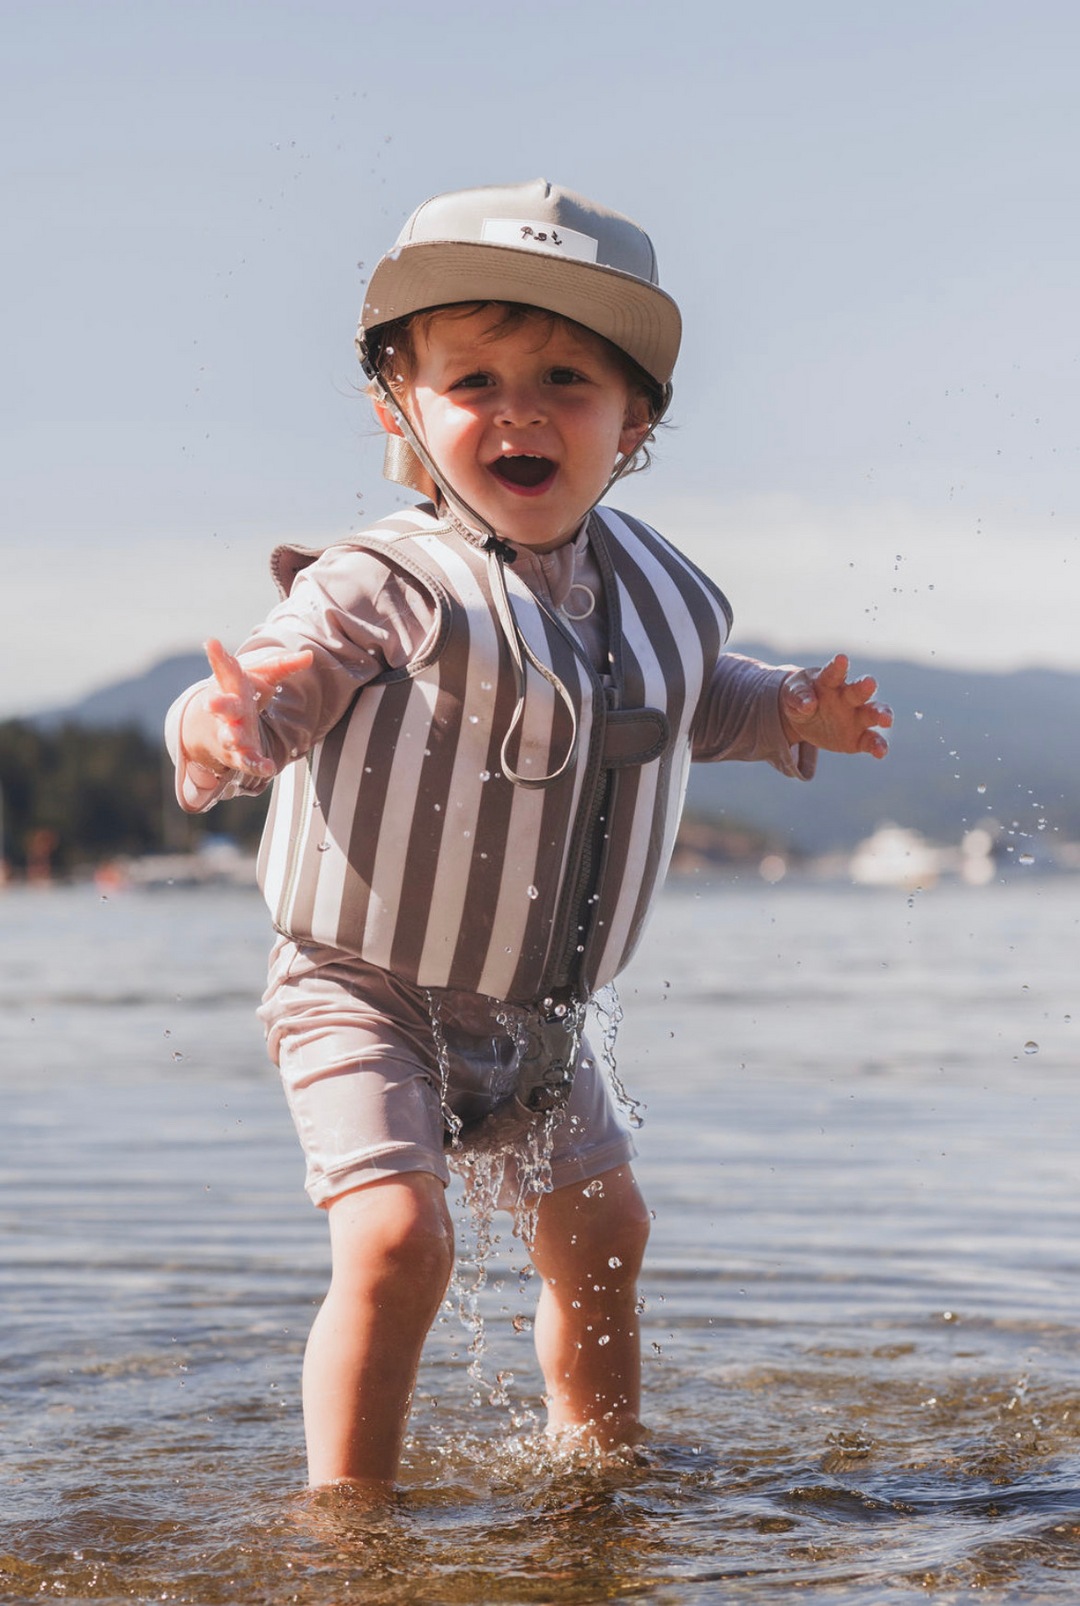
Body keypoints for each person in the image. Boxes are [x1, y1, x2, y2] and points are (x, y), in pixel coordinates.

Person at [166, 178, 891, 1492]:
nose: (520, 407)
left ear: (636, 421)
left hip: (540, 1010)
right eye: (475, 378)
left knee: (606, 1229)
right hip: (362, 985)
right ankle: (348, 1518)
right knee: (396, 1239)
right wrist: (226, 728)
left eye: (567, 377)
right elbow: (285, 672)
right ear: (405, 410)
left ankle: (599, 1467)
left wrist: (793, 708)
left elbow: (690, 701)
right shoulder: (383, 582)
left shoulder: (659, 592)